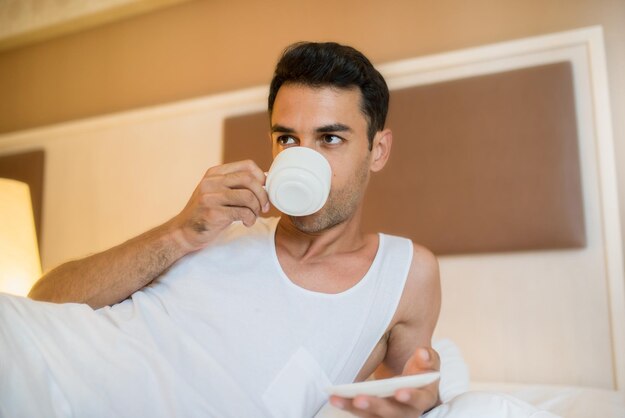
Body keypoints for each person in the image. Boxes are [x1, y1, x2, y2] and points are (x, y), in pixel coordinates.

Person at [17, 41, 442, 417]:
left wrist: (422, 398)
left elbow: (407, 394)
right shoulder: (215, 226)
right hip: (44, 368)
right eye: (288, 140)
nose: (302, 158)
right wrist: (180, 232)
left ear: (378, 150)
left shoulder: (404, 272)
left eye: (330, 139)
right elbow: (43, 303)